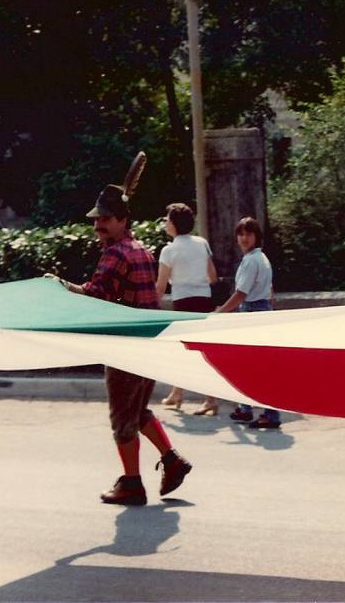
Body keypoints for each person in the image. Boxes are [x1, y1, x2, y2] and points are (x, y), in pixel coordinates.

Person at [56, 184, 192, 505]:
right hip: (149, 345)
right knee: (137, 410)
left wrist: (62, 288)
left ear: (121, 219)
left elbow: (96, 295)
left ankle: (132, 484)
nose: (97, 226)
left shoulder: (116, 254)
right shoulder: (141, 249)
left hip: (125, 346)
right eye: (96, 220)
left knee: (122, 419)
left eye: (104, 219)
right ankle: (172, 461)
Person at [217, 216, 282, 430]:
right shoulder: (261, 258)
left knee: (256, 368)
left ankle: (270, 414)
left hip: (253, 311)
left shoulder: (251, 260)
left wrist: (220, 312)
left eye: (249, 234)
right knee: (251, 366)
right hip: (261, 310)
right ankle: (246, 409)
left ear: (257, 236)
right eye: (241, 234)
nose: (244, 238)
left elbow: (241, 293)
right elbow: (270, 291)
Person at [156, 202, 219, 415]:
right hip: (204, 300)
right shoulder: (202, 243)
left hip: (182, 302)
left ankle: (208, 399)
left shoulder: (168, 250)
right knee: (202, 349)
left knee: (184, 350)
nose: (165, 223)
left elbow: (161, 285)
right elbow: (213, 276)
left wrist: (150, 305)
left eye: (167, 220)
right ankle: (178, 393)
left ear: (173, 224)